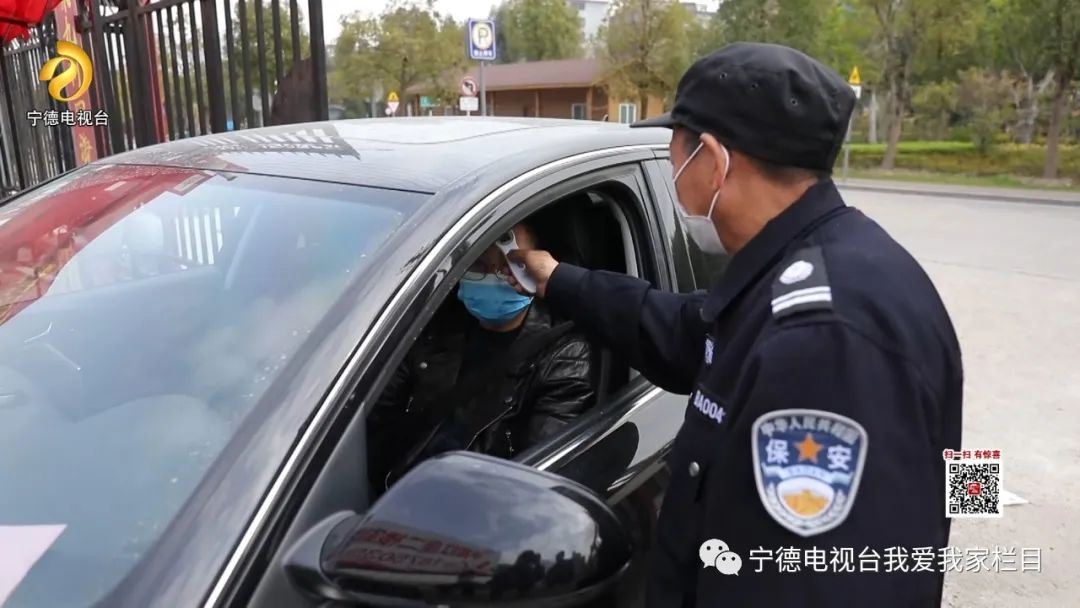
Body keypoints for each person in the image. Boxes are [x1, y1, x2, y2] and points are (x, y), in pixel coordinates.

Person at [507, 42, 963, 606]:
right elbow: (685, 332)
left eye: (675, 155)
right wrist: (555, 278)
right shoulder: (812, 268)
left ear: (713, 160)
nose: (673, 174)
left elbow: (820, 582)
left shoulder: (824, 339)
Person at [367, 222, 595, 491]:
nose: (493, 276)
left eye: (508, 265)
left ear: (535, 268)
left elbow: (535, 480)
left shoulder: (563, 355)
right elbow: (373, 415)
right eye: (480, 265)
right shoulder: (434, 326)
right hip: (398, 486)